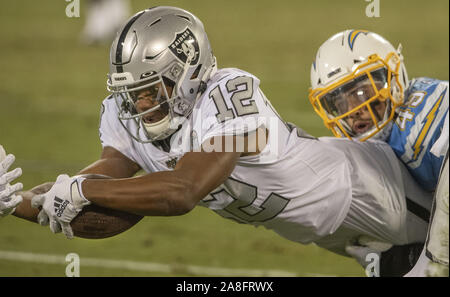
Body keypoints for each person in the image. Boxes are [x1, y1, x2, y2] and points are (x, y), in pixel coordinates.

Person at [3, 7, 431, 276]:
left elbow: (182, 191)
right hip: (329, 231)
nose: (141, 104)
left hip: (375, 193)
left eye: (152, 89)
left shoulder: (227, 92)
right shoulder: (128, 114)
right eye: (132, 93)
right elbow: (107, 196)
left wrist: (82, 189)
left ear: (188, 73)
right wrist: (20, 201)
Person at [308, 30, 449, 276]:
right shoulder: (383, 148)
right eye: (339, 102)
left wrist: (439, 257)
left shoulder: (417, 130)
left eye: (362, 92)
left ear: (393, 80)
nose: (353, 110)